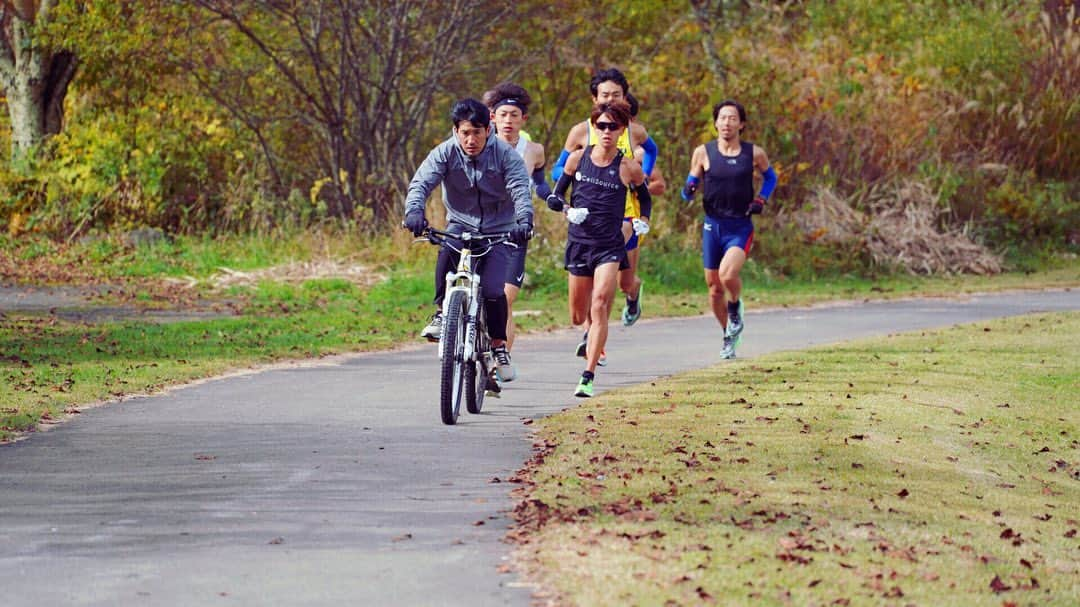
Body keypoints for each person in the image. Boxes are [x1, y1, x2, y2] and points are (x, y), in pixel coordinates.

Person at [405, 98, 534, 382]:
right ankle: (442, 313)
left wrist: (524, 221)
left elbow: (519, 190)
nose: (471, 139)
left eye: (477, 132)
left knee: (492, 290)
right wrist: (414, 211)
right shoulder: (445, 152)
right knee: (445, 259)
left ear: (489, 130)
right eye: (465, 132)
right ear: (456, 131)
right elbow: (421, 182)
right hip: (460, 225)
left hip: (499, 229)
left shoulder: (505, 155)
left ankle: (499, 345)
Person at [545, 100, 651, 397]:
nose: (606, 131)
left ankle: (588, 375)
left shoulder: (629, 167)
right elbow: (554, 197)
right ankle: (587, 337)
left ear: (622, 130)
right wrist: (567, 210)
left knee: (601, 303)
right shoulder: (578, 159)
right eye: (600, 125)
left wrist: (643, 220)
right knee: (578, 316)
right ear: (594, 127)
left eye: (612, 126)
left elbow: (646, 198)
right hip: (580, 243)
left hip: (610, 244)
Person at [681, 99, 776, 359]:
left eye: (733, 118)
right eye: (722, 118)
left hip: (740, 226)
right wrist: (688, 190)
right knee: (713, 289)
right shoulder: (703, 152)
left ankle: (734, 307)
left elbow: (771, 177)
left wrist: (761, 199)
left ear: (741, 124)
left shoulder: (753, 153)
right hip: (713, 226)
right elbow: (690, 183)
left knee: (727, 275)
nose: (727, 123)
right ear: (715, 123)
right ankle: (728, 335)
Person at [482, 83, 550, 356]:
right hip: (482, 228)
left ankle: (499, 362)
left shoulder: (534, 150)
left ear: (524, 119)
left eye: (514, 115)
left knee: (505, 299)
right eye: (503, 114)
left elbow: (540, 185)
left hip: (514, 232)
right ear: (492, 117)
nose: (508, 120)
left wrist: (556, 200)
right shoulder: (481, 145)